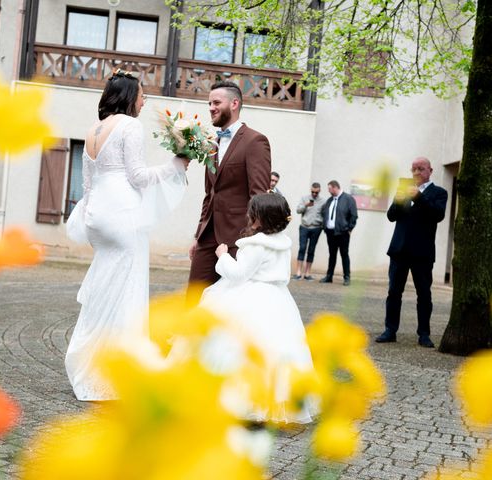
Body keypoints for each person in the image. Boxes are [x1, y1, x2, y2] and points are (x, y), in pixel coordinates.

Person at [64, 70, 189, 401]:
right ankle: (121, 372)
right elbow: (137, 177)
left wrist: (91, 217)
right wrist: (177, 164)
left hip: (98, 217)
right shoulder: (130, 126)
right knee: (128, 294)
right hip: (123, 217)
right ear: (128, 96)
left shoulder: (93, 129)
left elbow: (88, 184)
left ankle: (89, 361)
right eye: (141, 93)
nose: (144, 98)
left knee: (105, 289)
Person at [200, 193, 316, 424]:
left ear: (259, 219)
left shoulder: (256, 246)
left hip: (251, 298)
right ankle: (273, 401)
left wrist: (222, 256)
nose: (247, 215)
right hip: (279, 301)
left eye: (251, 213)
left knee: (242, 349)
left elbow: (238, 274)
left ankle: (242, 402)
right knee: (278, 351)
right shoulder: (283, 243)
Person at [188, 81, 271, 291]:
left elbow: (259, 195)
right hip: (207, 238)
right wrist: (198, 236)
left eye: (216, 102)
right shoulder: (212, 143)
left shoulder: (255, 141)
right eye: (209, 104)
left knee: (230, 302)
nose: (211, 108)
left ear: (234, 104)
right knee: (193, 298)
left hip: (238, 238)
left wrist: (250, 239)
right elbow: (210, 194)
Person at [376, 157, 447, 348]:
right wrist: (400, 198)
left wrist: (418, 196)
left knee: (424, 294)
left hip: (422, 253)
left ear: (430, 170)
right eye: (413, 169)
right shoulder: (403, 191)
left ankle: (424, 333)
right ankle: (390, 330)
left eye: (420, 169)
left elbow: (437, 215)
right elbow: (391, 216)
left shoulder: (439, 193)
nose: (416, 173)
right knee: (394, 292)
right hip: (399, 250)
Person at [319, 180, 358, 286]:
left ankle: (347, 277)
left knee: (344, 254)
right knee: (332, 255)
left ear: (335, 187)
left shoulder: (348, 199)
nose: (328, 191)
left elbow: (354, 215)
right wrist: (325, 227)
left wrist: (349, 229)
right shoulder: (329, 200)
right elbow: (324, 213)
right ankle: (329, 276)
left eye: (329, 189)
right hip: (330, 232)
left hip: (343, 233)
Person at [293, 182, 326, 280]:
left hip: (316, 228)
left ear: (319, 190)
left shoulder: (323, 201)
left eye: (316, 192)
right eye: (312, 192)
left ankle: (307, 273)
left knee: (311, 250)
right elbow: (298, 210)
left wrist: (323, 226)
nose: (314, 194)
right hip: (304, 227)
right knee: (302, 248)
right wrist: (306, 205)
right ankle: (298, 272)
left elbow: (325, 215)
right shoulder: (304, 198)